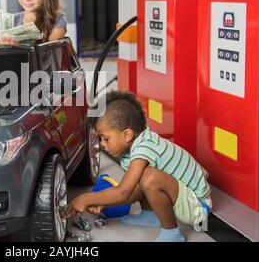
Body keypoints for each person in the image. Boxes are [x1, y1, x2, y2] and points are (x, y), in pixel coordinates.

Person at [66, 91, 212, 242]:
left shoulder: (144, 149)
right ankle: (150, 215)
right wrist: (103, 201)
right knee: (143, 178)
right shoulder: (134, 146)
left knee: (149, 177)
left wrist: (86, 198)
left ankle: (172, 234)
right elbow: (134, 189)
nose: (102, 144)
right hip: (183, 194)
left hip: (198, 207)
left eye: (105, 138)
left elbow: (123, 192)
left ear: (127, 134)